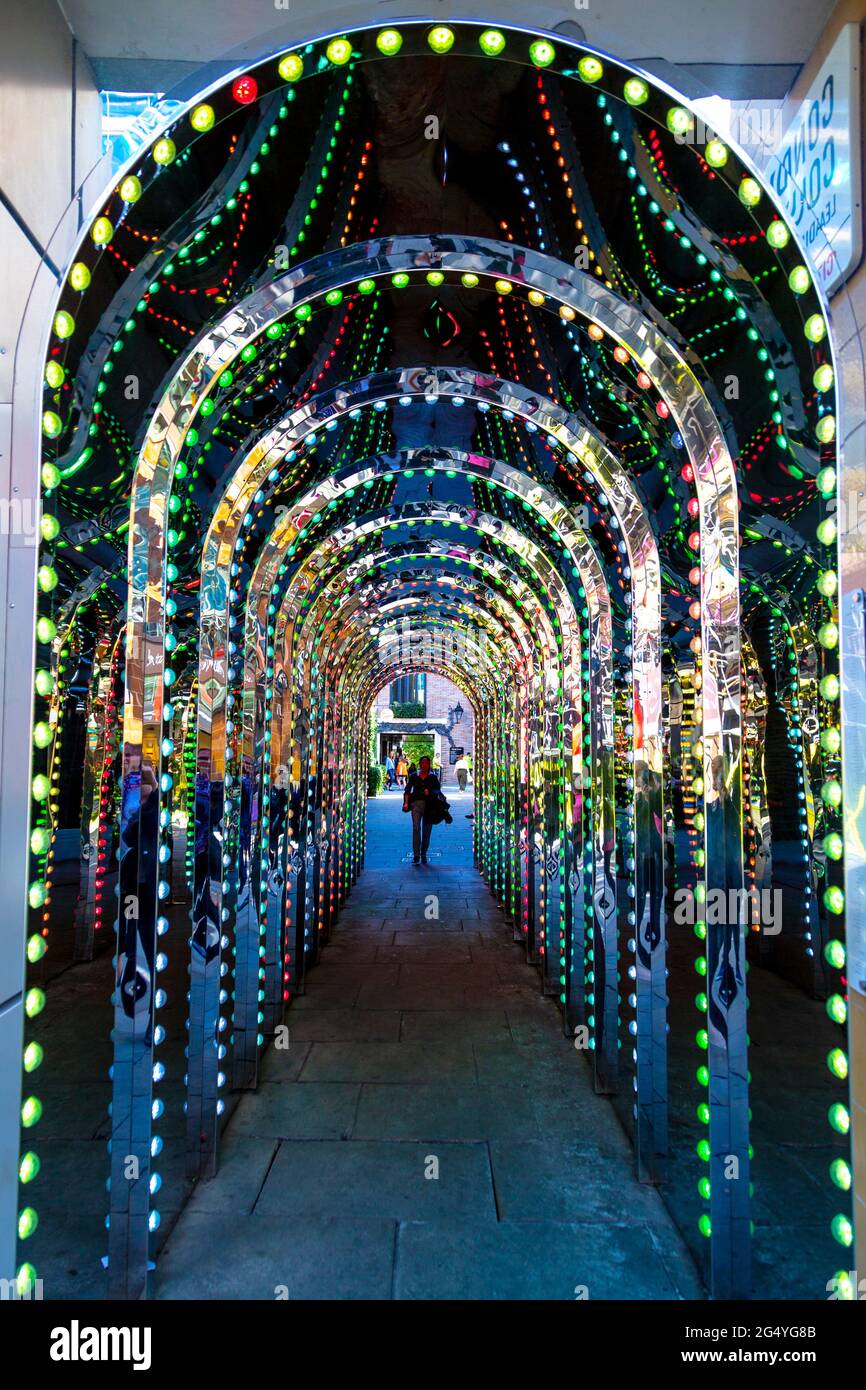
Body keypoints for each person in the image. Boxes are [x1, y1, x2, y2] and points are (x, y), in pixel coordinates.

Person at [403, 755, 440, 864]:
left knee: (427, 831)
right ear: (420, 764)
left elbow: (438, 791)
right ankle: (416, 855)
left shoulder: (433, 777)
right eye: (422, 763)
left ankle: (423, 853)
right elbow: (408, 790)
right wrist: (406, 803)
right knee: (416, 828)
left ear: (429, 764)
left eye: (426, 763)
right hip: (416, 805)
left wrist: (431, 792)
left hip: (429, 806)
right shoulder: (414, 776)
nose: (424, 765)